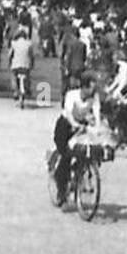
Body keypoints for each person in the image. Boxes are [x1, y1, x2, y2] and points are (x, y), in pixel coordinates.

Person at [52, 71, 102, 205]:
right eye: (90, 88)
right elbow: (68, 113)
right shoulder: (71, 95)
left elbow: (97, 114)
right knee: (66, 156)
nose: (92, 91)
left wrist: (97, 129)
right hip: (66, 126)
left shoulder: (94, 98)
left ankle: (80, 172)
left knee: (87, 150)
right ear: (83, 87)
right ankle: (61, 191)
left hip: (81, 125)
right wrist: (75, 124)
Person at [8, 27, 35, 107]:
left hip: (16, 64)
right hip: (25, 65)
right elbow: (31, 56)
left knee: (13, 77)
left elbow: (10, 55)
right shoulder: (29, 43)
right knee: (27, 77)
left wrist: (10, 63)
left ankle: (15, 91)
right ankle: (27, 89)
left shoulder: (14, 43)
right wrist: (32, 64)